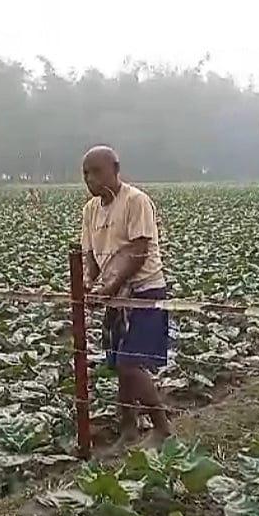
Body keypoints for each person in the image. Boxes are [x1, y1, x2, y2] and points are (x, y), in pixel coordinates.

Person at [80, 145, 172, 449]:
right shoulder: (91, 210)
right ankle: (129, 429)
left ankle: (161, 427)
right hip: (115, 296)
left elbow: (137, 251)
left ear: (115, 169)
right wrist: (91, 283)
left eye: (97, 172)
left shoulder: (135, 201)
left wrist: (106, 288)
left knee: (131, 364)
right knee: (120, 363)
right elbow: (90, 254)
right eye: (86, 174)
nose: (91, 180)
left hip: (144, 292)